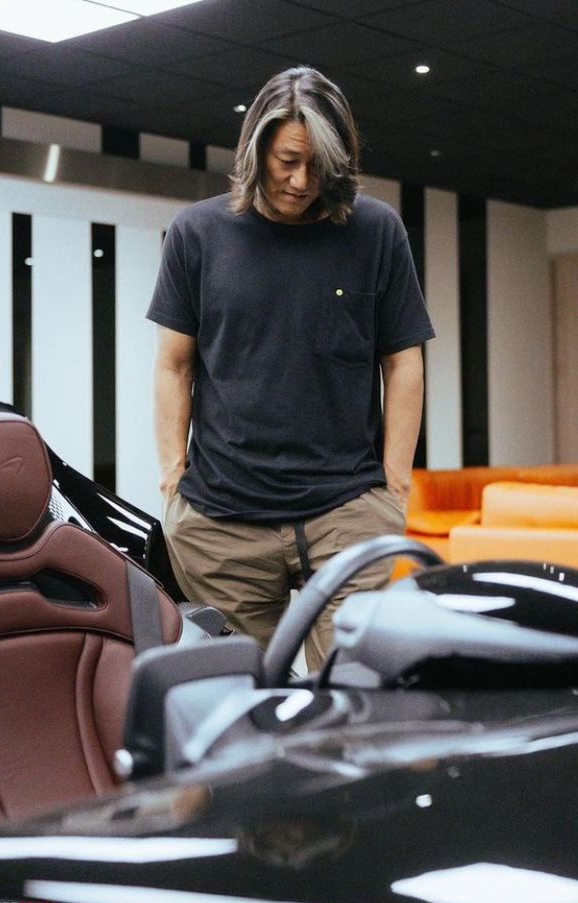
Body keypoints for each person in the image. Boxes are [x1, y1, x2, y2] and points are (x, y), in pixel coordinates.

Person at [147, 66, 434, 670]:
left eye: (318, 166)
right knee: (239, 708)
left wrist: (396, 485)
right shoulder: (197, 234)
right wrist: (174, 478)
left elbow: (403, 359)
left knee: (349, 702)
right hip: (223, 524)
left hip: (348, 513)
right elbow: (174, 365)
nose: (301, 181)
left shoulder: (374, 231)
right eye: (286, 161)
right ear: (256, 149)